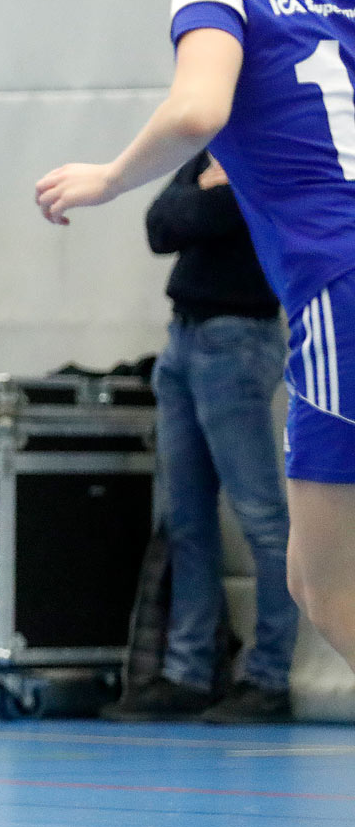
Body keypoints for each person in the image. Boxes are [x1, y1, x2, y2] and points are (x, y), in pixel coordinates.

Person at [36, 0, 355, 704]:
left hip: (338, 287)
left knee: (328, 589)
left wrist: (105, 175)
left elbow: (197, 108)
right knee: (305, 574)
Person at [100, 151, 293, 723]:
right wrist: (210, 194)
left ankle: (269, 676)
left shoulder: (271, 150)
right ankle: (187, 671)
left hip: (238, 338)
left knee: (261, 516)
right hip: (183, 339)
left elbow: (223, 215)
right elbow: (160, 225)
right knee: (184, 516)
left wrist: (213, 197)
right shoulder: (211, 152)